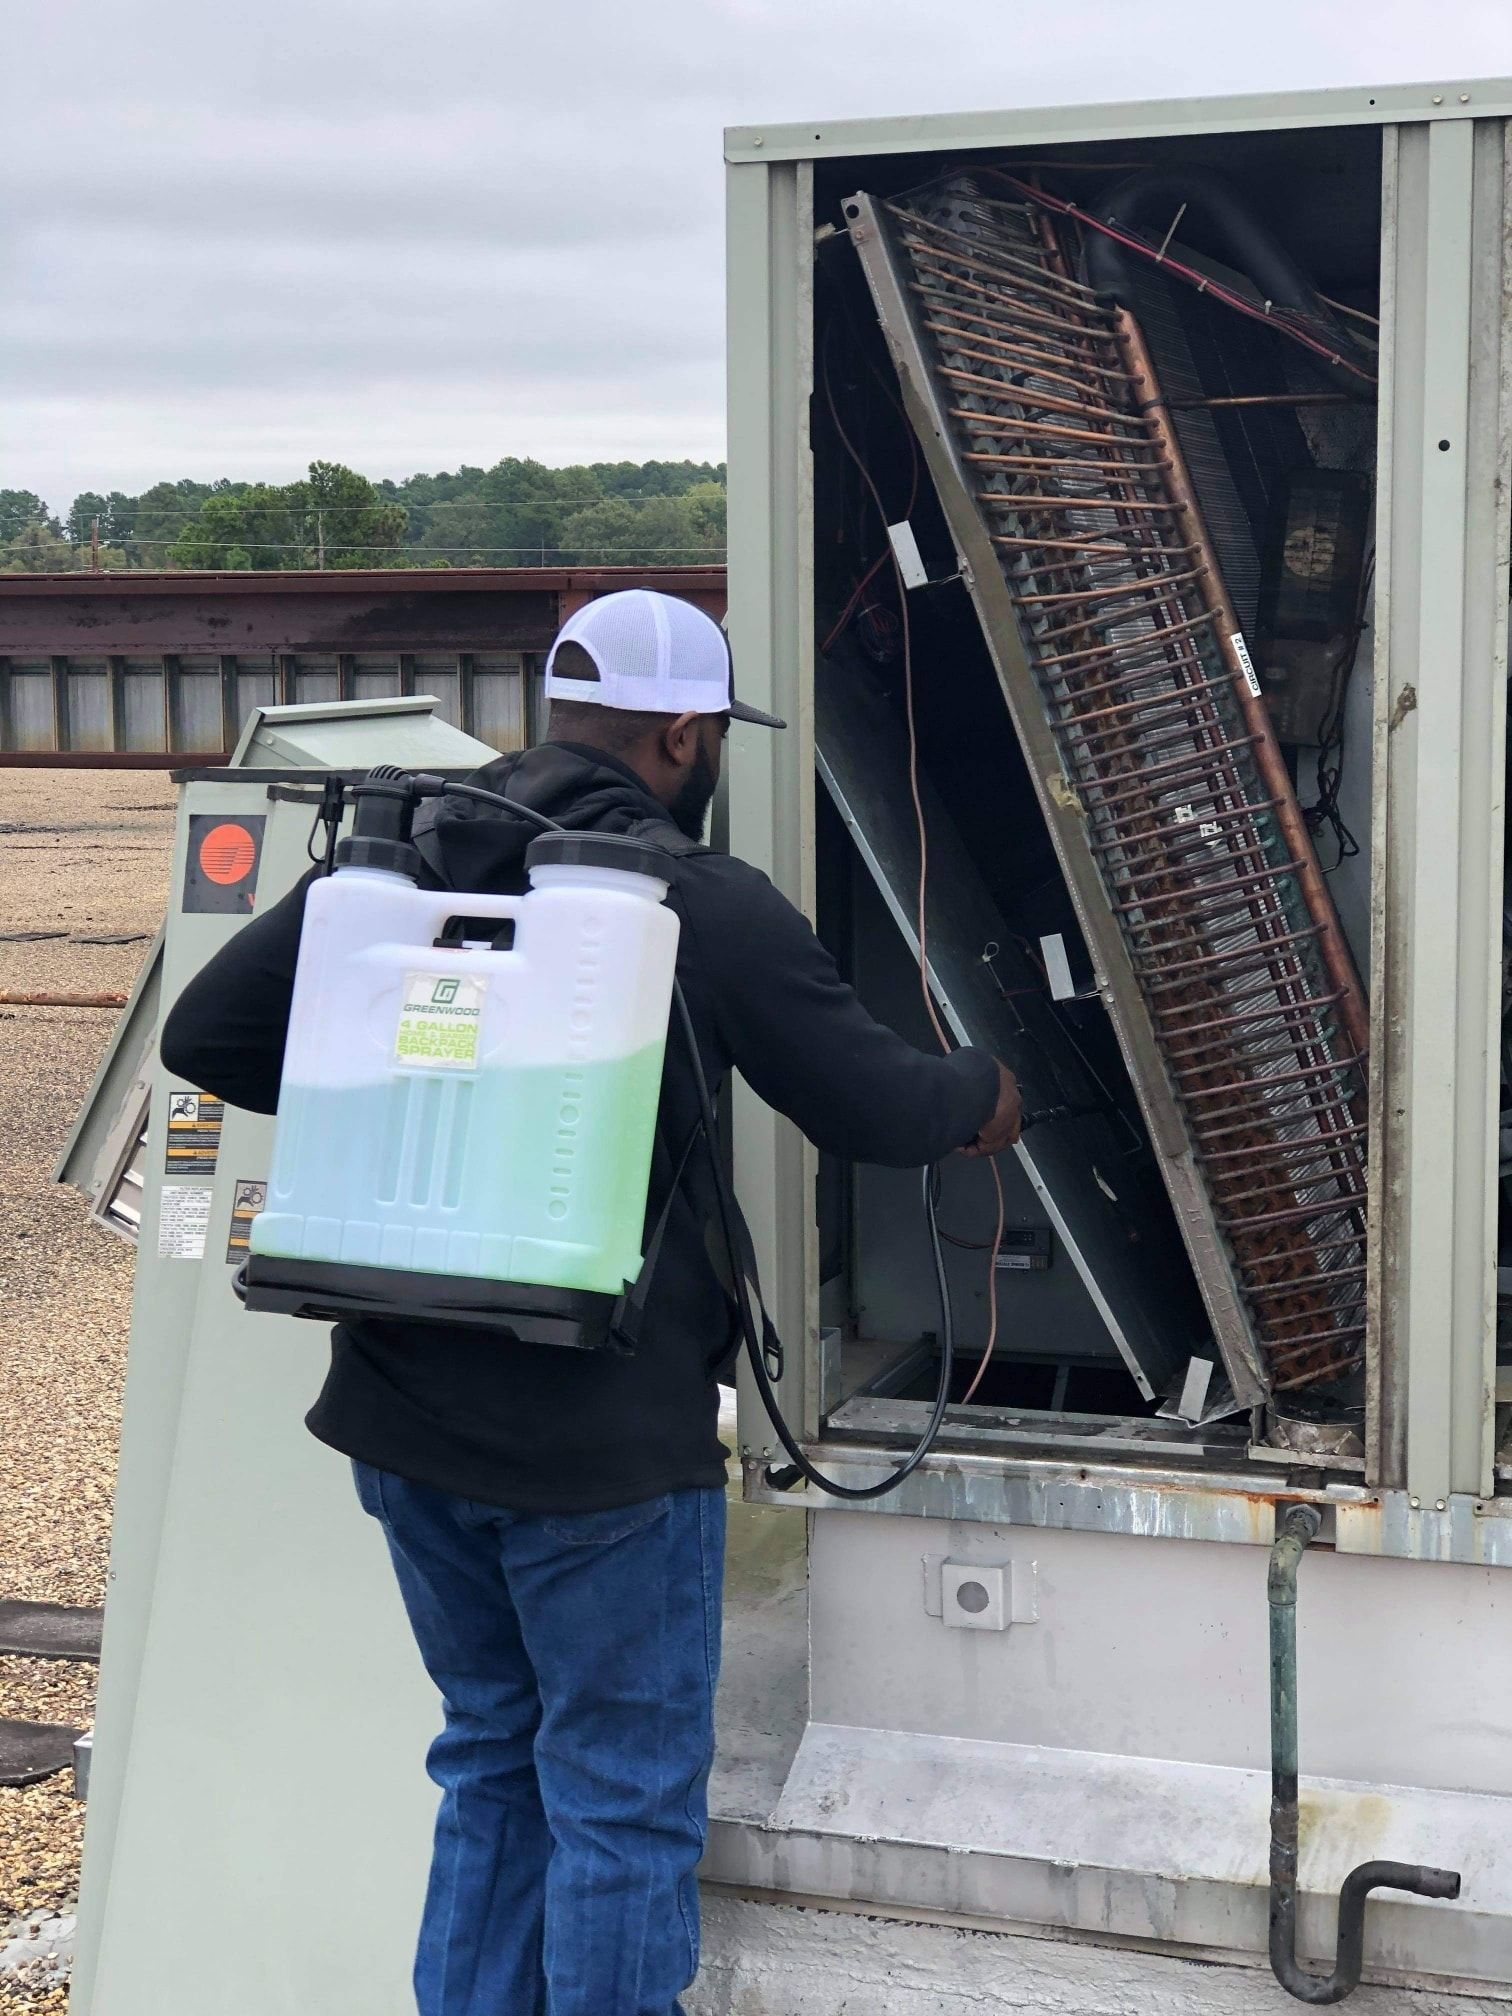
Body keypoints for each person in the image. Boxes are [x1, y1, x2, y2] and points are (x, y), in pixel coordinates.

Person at [161, 587, 1021, 2016]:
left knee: (493, 1755)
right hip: (599, 1444)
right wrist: (996, 1098)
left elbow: (210, 1033)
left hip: (402, 1417)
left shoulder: (417, 849)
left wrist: (406, 1072)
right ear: (685, 732)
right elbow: (872, 1101)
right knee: (619, 1802)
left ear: (559, 713)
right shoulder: (683, 894)